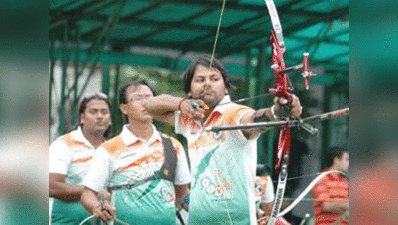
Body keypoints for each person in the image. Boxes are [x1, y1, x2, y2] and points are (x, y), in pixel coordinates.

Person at [142, 55, 302, 224]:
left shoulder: (234, 113)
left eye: (214, 79)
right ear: (189, 90)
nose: (207, 84)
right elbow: (151, 106)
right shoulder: (189, 119)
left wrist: (276, 112)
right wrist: (181, 103)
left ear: (226, 88)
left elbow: (254, 119)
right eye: (200, 80)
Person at [80, 80, 191, 225]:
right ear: (124, 108)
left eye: (149, 98)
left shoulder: (174, 146)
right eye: (137, 99)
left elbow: (182, 194)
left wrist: (211, 211)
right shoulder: (108, 149)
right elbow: (87, 194)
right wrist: (98, 207)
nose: (145, 103)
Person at [49, 93, 113, 224]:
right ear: (82, 118)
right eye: (93, 112)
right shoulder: (65, 144)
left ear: (110, 119)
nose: (100, 116)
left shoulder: (113, 149)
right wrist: (93, 193)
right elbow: (51, 186)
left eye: (104, 112)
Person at [312, 147, 349, 225]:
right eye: (347, 159)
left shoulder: (345, 182)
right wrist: (346, 205)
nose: (349, 163)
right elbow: (326, 206)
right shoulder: (322, 179)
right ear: (336, 160)